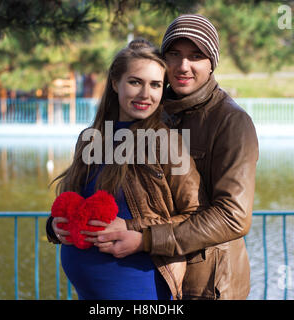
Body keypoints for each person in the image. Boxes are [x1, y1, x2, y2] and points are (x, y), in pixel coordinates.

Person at [82, 14, 259, 300]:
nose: (183, 66)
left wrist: (145, 239)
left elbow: (233, 216)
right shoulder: (153, 106)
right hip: (153, 278)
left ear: (211, 63)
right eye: (174, 54)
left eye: (196, 56)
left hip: (207, 285)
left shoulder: (231, 122)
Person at [45, 38, 206, 300]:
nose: (146, 94)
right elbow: (74, 200)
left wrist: (137, 231)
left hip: (141, 289)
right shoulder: (90, 138)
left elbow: (195, 216)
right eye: (135, 82)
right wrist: (54, 228)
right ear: (114, 83)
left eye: (155, 85)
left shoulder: (166, 143)